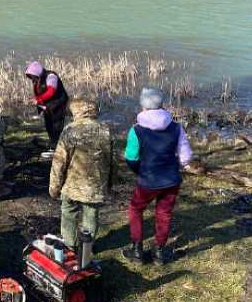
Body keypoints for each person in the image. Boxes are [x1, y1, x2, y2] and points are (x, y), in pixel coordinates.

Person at [122, 88, 193, 265]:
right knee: (164, 213)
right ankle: (159, 253)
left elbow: (130, 158)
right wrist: (176, 165)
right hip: (171, 180)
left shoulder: (136, 130)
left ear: (143, 107)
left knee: (135, 209)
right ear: (161, 105)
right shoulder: (176, 127)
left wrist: (140, 171)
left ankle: (137, 250)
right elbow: (186, 157)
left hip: (148, 180)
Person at [49, 99, 113, 253]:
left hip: (72, 186)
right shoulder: (105, 129)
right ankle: (87, 247)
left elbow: (59, 162)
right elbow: (111, 160)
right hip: (95, 186)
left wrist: (54, 188)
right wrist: (109, 183)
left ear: (76, 111)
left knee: (68, 213)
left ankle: (70, 245)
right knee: (91, 215)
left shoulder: (70, 130)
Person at [25, 61, 69, 153]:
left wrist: (39, 99)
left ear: (37, 73)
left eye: (32, 75)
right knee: (49, 125)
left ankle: (57, 148)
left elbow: (51, 91)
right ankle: (53, 145)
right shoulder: (37, 80)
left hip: (58, 104)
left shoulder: (51, 77)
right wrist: (37, 101)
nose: (31, 78)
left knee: (57, 126)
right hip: (47, 106)